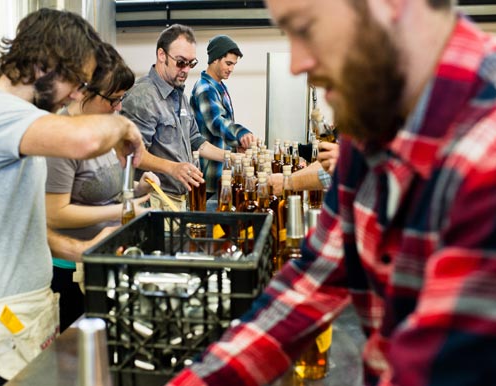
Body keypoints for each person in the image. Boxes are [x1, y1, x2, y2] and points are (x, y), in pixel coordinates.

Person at [168, 0, 496, 385]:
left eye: (306, 28)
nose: (297, 64)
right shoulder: (375, 123)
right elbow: (311, 283)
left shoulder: (483, 159)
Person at [0, 9, 143, 385]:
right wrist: (124, 124)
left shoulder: (17, 122)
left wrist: (77, 251)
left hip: (16, 322)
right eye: (77, 80)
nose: (79, 94)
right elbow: (82, 139)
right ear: (44, 62)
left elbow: (16, 223)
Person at [45, 44, 159, 332]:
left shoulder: (103, 128)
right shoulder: (60, 137)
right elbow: (56, 214)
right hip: (71, 269)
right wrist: (121, 209)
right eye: (113, 100)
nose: (118, 108)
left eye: (122, 99)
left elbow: (103, 187)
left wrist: (139, 187)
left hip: (106, 256)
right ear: (83, 93)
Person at [121, 24, 230, 211]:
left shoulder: (179, 95)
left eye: (191, 63)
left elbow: (196, 140)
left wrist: (231, 157)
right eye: (181, 62)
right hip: (154, 200)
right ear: (162, 55)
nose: (186, 70)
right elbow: (131, 153)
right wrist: (173, 168)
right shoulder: (143, 97)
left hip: (181, 200)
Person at [190, 35, 257, 199]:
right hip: (210, 176)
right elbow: (217, 123)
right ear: (214, 59)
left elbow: (225, 127)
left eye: (234, 64)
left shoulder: (219, 87)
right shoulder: (204, 88)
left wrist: (236, 146)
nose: (231, 69)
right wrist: (242, 135)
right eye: (228, 63)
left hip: (222, 171)